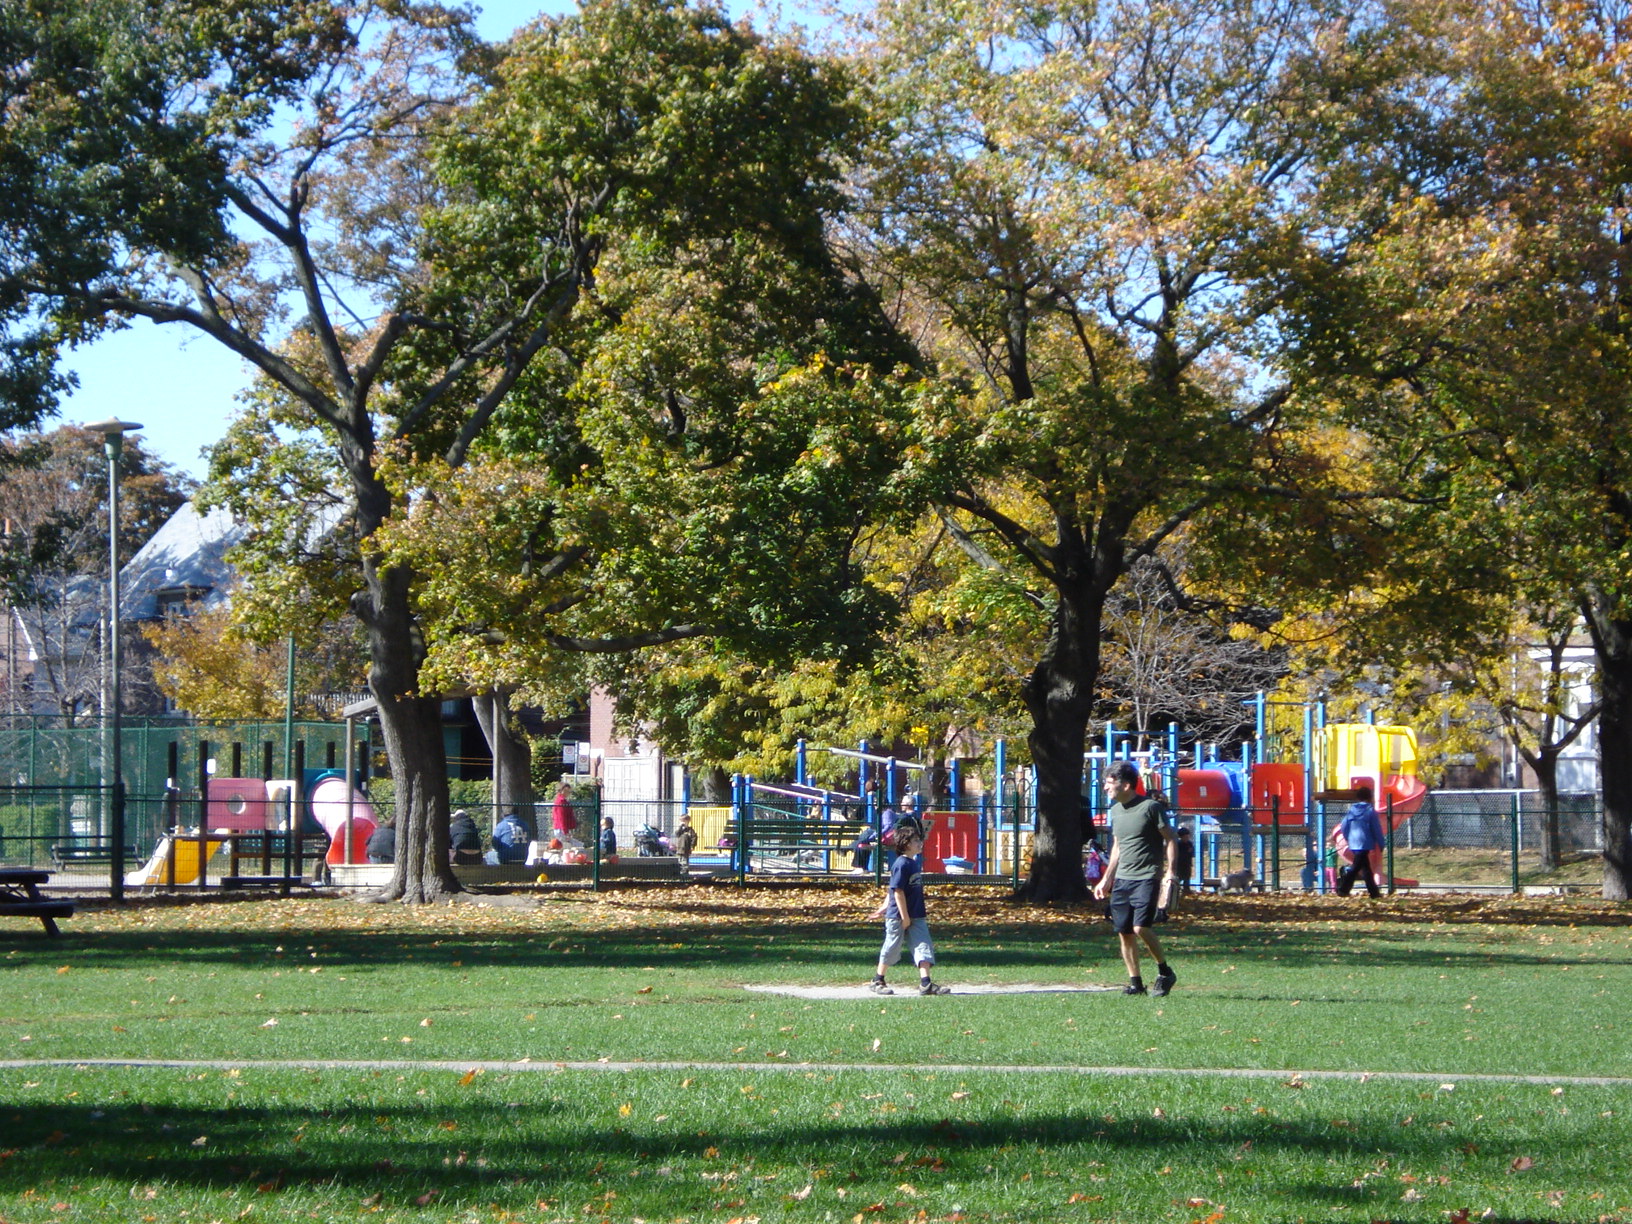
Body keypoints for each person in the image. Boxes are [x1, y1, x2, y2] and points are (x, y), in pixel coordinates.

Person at [1093, 760, 1179, 997]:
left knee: (1141, 927)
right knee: (1124, 931)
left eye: (1109, 784)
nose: (1105, 788)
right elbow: (1118, 847)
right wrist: (1106, 879)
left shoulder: (1151, 807)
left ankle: (1164, 971)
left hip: (1147, 876)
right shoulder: (1115, 811)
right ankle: (1136, 983)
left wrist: (1170, 873)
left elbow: (1170, 839)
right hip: (1123, 878)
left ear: (1127, 785)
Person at [868, 823, 949, 996]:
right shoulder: (901, 864)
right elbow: (897, 891)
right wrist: (903, 917)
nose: (920, 843)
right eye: (916, 840)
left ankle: (926, 984)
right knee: (892, 947)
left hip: (916, 914)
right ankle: (878, 979)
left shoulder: (913, 863)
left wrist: (884, 908)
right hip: (899, 916)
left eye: (920, 839)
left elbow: (893, 890)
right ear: (906, 844)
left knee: (923, 946)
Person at [1332, 784, 1385, 898]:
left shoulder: (1351, 811)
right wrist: (1381, 843)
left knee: (1366, 870)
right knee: (1355, 868)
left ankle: (1374, 893)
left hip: (1354, 843)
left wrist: (1348, 838)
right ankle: (1343, 890)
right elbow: (1376, 829)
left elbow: (1344, 826)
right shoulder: (1370, 811)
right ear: (1370, 797)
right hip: (1365, 843)